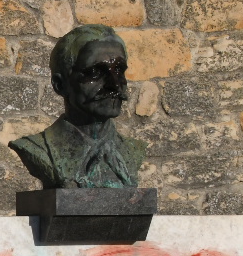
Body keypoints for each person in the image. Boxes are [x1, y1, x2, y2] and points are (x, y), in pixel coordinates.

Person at [11, 24, 145, 189]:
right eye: (95, 73)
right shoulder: (38, 149)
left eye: (119, 70)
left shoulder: (133, 151)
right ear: (60, 85)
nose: (115, 85)